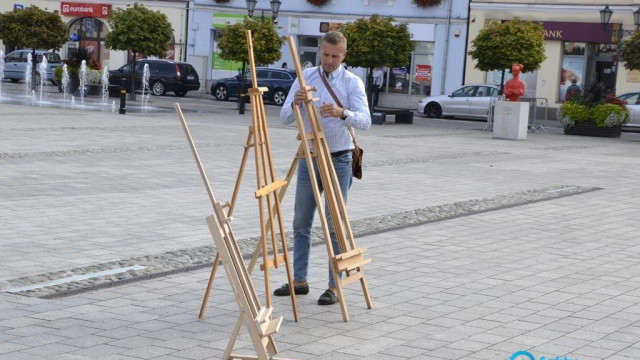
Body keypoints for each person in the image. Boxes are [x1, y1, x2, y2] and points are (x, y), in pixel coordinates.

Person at [277, 31, 371, 305]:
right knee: (301, 222)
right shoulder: (306, 77)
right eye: (325, 55)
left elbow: (365, 121)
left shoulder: (352, 82)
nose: (329, 61)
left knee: (333, 224)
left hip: (339, 157)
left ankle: (334, 285)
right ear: (320, 51)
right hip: (309, 155)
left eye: (335, 56)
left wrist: (343, 113)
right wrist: (296, 102)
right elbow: (284, 118)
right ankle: (299, 280)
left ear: (344, 55)